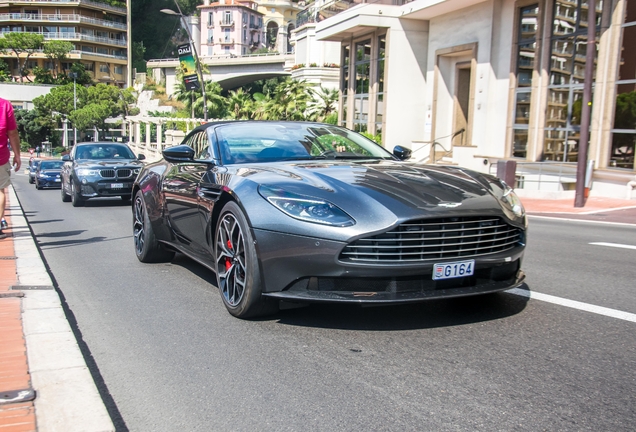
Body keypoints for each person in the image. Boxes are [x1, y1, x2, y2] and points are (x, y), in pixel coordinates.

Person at [0, 97, 21, 240]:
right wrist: (17, 155)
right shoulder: (4, 105)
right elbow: (12, 133)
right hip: (0, 158)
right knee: (0, 190)